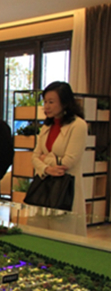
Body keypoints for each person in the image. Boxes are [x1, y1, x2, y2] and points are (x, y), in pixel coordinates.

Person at [32, 81, 87, 236]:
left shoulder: (78, 125)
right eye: (45, 102)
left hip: (65, 189)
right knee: (40, 232)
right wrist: (46, 169)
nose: (46, 106)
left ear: (64, 102)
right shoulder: (46, 126)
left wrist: (45, 159)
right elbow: (35, 157)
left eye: (51, 102)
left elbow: (68, 161)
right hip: (44, 188)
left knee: (63, 233)